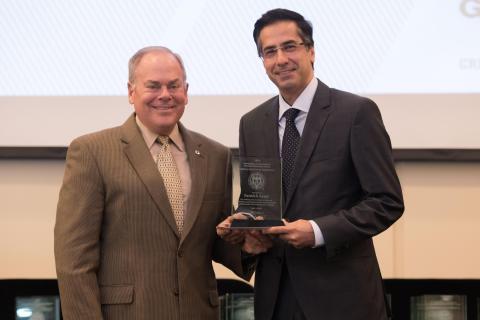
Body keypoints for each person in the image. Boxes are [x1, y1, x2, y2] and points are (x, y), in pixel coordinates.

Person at [218, 8, 404, 320]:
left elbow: (387, 201)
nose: (281, 60)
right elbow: (259, 200)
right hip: (274, 296)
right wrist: (245, 223)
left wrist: (317, 231)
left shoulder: (356, 113)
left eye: (290, 46)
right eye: (269, 52)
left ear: (311, 51)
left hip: (342, 297)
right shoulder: (252, 123)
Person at [54, 46, 252, 319]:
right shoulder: (92, 151)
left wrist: (249, 242)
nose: (165, 95)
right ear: (131, 91)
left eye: (174, 86)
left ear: (186, 91)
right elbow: (74, 261)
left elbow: (214, 240)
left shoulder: (215, 155)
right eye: (153, 86)